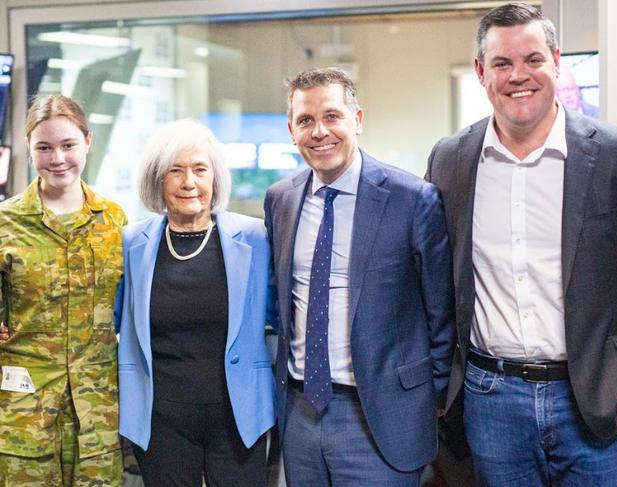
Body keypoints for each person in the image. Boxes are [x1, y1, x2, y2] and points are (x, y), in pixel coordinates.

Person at [425, 3, 617, 485]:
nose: (518, 76)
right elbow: (434, 279)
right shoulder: (450, 159)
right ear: (482, 72)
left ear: (556, 61)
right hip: (491, 402)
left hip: (594, 397)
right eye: (502, 64)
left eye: (532, 60)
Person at [264, 67, 455, 486]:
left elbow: (443, 311)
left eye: (332, 116)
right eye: (306, 121)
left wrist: (428, 398)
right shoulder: (280, 199)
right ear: (291, 131)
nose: (320, 132)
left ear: (358, 120)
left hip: (380, 416)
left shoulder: (412, 199)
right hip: (299, 411)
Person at [116, 118, 275, 486]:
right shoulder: (132, 243)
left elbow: (281, 316)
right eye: (176, 171)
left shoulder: (254, 238)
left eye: (200, 170)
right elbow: (110, 316)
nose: (189, 183)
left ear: (215, 178)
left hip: (239, 421)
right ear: (158, 180)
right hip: (161, 423)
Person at [0, 95, 126, 485]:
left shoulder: (114, 220)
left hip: (97, 414)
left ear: (88, 140)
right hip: (25, 413)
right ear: (28, 148)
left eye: (68, 145)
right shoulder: (6, 223)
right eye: (44, 147)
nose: (58, 158)